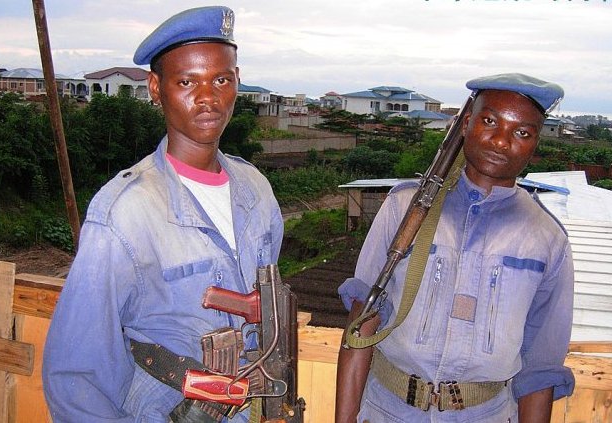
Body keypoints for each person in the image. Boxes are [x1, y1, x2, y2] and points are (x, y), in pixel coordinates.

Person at [43, 6, 283, 422]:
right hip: (166, 408)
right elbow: (76, 374)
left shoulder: (256, 189)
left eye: (221, 79)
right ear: (156, 89)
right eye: (187, 81)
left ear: (237, 83)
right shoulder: (125, 210)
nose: (207, 97)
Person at [336, 73, 575, 423]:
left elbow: (540, 368)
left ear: (535, 144)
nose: (501, 141)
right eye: (490, 121)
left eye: (521, 132)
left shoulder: (548, 239)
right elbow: (361, 323)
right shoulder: (406, 208)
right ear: (467, 124)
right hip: (388, 410)